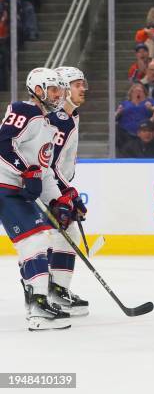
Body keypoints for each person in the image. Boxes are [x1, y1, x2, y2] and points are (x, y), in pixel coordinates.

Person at [0, 68, 70, 330]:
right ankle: (38, 309)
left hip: (16, 188)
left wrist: (59, 200)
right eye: (53, 89)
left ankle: (37, 302)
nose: (59, 95)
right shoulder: (24, 110)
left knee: (37, 239)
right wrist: (24, 171)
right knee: (34, 239)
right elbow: (3, 143)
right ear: (38, 90)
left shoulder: (48, 126)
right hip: (4, 184)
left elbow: (43, 171)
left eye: (60, 90)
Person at [45, 66, 89, 316]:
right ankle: (52, 291)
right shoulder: (59, 119)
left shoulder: (69, 116)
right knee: (54, 235)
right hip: (41, 186)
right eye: (77, 84)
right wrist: (66, 193)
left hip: (51, 184)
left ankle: (53, 290)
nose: (83, 88)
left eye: (84, 83)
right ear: (63, 89)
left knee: (57, 235)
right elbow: (49, 164)